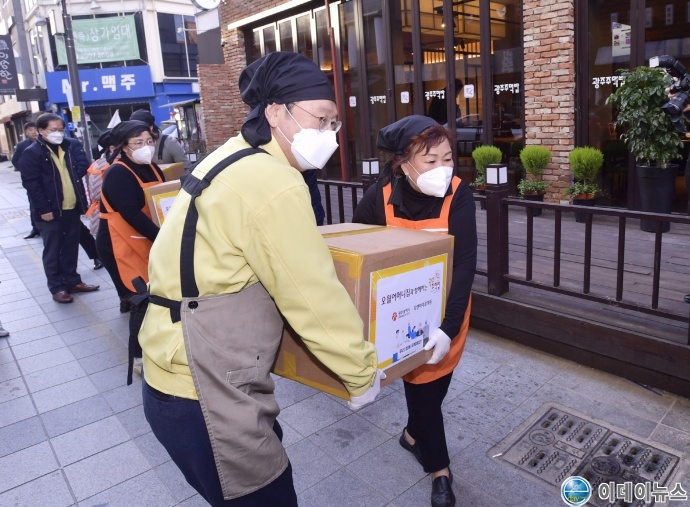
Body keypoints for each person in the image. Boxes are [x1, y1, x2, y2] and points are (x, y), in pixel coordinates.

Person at [138, 51, 384, 507]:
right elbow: (311, 294)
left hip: (177, 369)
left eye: (334, 124)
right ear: (275, 112)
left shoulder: (229, 157)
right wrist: (361, 372)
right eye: (321, 119)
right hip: (204, 390)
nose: (329, 134)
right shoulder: (273, 181)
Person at [352, 115, 477, 507]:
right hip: (402, 320)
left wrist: (448, 327)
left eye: (448, 158)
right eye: (431, 160)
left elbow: (465, 264)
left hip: (450, 312)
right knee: (422, 392)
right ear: (403, 164)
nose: (443, 168)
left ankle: (411, 435)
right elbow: (358, 248)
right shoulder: (381, 196)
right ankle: (440, 470)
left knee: (435, 388)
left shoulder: (459, 195)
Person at [18, 113, 100, 304]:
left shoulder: (68, 146)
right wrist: (43, 209)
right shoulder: (32, 153)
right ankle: (57, 287)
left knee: (71, 247)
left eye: (61, 130)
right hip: (49, 210)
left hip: (71, 206)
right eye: (53, 130)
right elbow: (31, 184)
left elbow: (80, 168)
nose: (58, 133)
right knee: (53, 250)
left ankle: (73, 281)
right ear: (41, 131)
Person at [96, 121, 164, 314]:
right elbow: (131, 213)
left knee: (149, 290)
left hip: (146, 236)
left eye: (149, 141)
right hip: (119, 242)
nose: (146, 147)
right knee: (137, 293)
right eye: (138, 142)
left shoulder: (153, 168)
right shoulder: (117, 173)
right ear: (124, 147)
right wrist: (162, 236)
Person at [13, 122, 40, 238]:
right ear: (26, 132)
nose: (33, 132)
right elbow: (15, 160)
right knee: (33, 204)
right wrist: (26, 171)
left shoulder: (45, 142)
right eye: (30, 130)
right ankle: (35, 228)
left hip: (46, 179)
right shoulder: (22, 145)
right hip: (32, 180)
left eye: (35, 129)